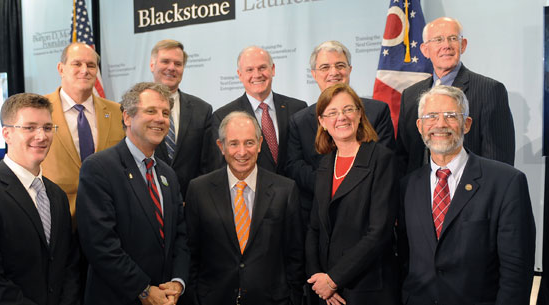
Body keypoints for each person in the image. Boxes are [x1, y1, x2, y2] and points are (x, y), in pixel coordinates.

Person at [399, 85, 535, 304]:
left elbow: (516, 271)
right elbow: (406, 259)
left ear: (467, 124)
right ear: (420, 126)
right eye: (431, 116)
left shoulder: (506, 182)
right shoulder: (407, 187)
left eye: (451, 116)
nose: (441, 124)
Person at [0, 93, 81, 305]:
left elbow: (68, 265)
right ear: (7, 134)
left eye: (48, 127)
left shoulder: (57, 195)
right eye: (30, 127)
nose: (41, 136)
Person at [76, 82, 189, 305]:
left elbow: (180, 236)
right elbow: (100, 244)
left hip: (165, 298)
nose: (160, 118)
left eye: (165, 113)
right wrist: (143, 289)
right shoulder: (99, 168)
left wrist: (177, 282)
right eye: (151, 111)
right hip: (118, 297)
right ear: (127, 117)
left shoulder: (168, 174)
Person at [184, 111, 304, 305]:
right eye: (233, 143)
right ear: (221, 147)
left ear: (260, 144)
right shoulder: (199, 190)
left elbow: (295, 256)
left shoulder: (286, 190)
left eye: (249, 142)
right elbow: (190, 252)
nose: (242, 152)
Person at [285, 40, 396, 228]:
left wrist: (351, 190)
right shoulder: (300, 120)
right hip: (319, 218)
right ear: (314, 74)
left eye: (340, 65)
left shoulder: (378, 111)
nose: (333, 72)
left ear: (350, 69)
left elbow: (386, 166)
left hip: (367, 216)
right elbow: (294, 167)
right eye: (325, 67)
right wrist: (329, 186)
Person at [306, 84, 400, 305]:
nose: (342, 117)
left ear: (359, 114)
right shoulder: (325, 164)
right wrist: (320, 282)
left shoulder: (381, 159)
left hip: (367, 288)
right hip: (328, 292)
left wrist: (334, 279)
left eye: (348, 109)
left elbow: (379, 232)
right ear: (322, 121)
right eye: (332, 112)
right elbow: (314, 228)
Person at [397, 17, 515, 174]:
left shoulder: (490, 90)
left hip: (471, 192)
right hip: (422, 193)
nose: (446, 46)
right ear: (425, 50)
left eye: (453, 38)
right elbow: (403, 157)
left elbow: (498, 161)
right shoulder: (410, 96)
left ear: (463, 45)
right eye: (438, 39)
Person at [42, 42, 125, 226]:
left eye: (91, 65)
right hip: (57, 219)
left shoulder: (117, 112)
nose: (84, 70)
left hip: (109, 219)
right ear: (61, 68)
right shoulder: (39, 109)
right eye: (77, 64)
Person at [214, 46, 307, 175]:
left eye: (262, 68)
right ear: (240, 75)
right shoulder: (222, 116)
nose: (257, 75)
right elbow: (221, 168)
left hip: (295, 191)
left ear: (273, 69)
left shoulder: (298, 108)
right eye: (249, 70)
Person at [150, 39, 218, 197]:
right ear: (152, 65)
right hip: (147, 202)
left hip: (191, 203)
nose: (171, 68)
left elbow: (209, 164)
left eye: (178, 64)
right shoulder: (134, 109)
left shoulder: (202, 110)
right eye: (165, 61)